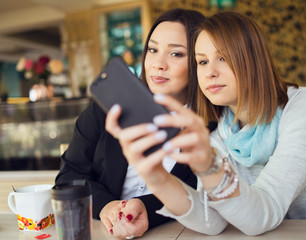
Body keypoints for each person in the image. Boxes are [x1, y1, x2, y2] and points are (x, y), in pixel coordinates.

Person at [105, 11, 306, 236]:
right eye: (202, 61)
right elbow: (212, 219)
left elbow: (265, 210)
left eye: (223, 58)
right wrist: (159, 179)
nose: (209, 72)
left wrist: (208, 166)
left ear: (253, 59)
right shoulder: (223, 132)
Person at [55, 8, 205, 239]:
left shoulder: (209, 126)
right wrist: (106, 206)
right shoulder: (106, 108)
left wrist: (147, 208)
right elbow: (69, 177)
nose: (158, 64)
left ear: (198, 61)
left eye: (176, 54)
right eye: (153, 50)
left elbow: (200, 195)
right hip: (101, 231)